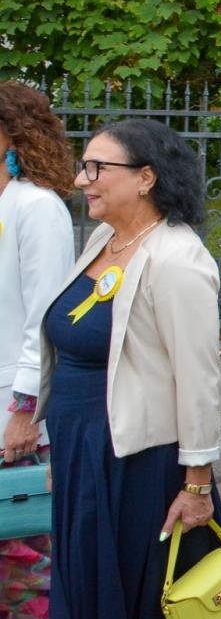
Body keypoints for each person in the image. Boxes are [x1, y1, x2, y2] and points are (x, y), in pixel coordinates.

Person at [39, 119, 221, 618]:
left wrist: (196, 485)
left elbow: (198, 383)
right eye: (85, 167)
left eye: (97, 167)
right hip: (80, 447)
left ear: (145, 177)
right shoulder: (104, 238)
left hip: (133, 461)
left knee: (135, 590)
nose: (82, 179)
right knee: (84, 578)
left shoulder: (177, 259)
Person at [0, 83, 76, 615]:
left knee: (22, 565)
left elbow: (45, 321)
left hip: (13, 412)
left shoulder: (37, 207)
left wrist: (25, 412)